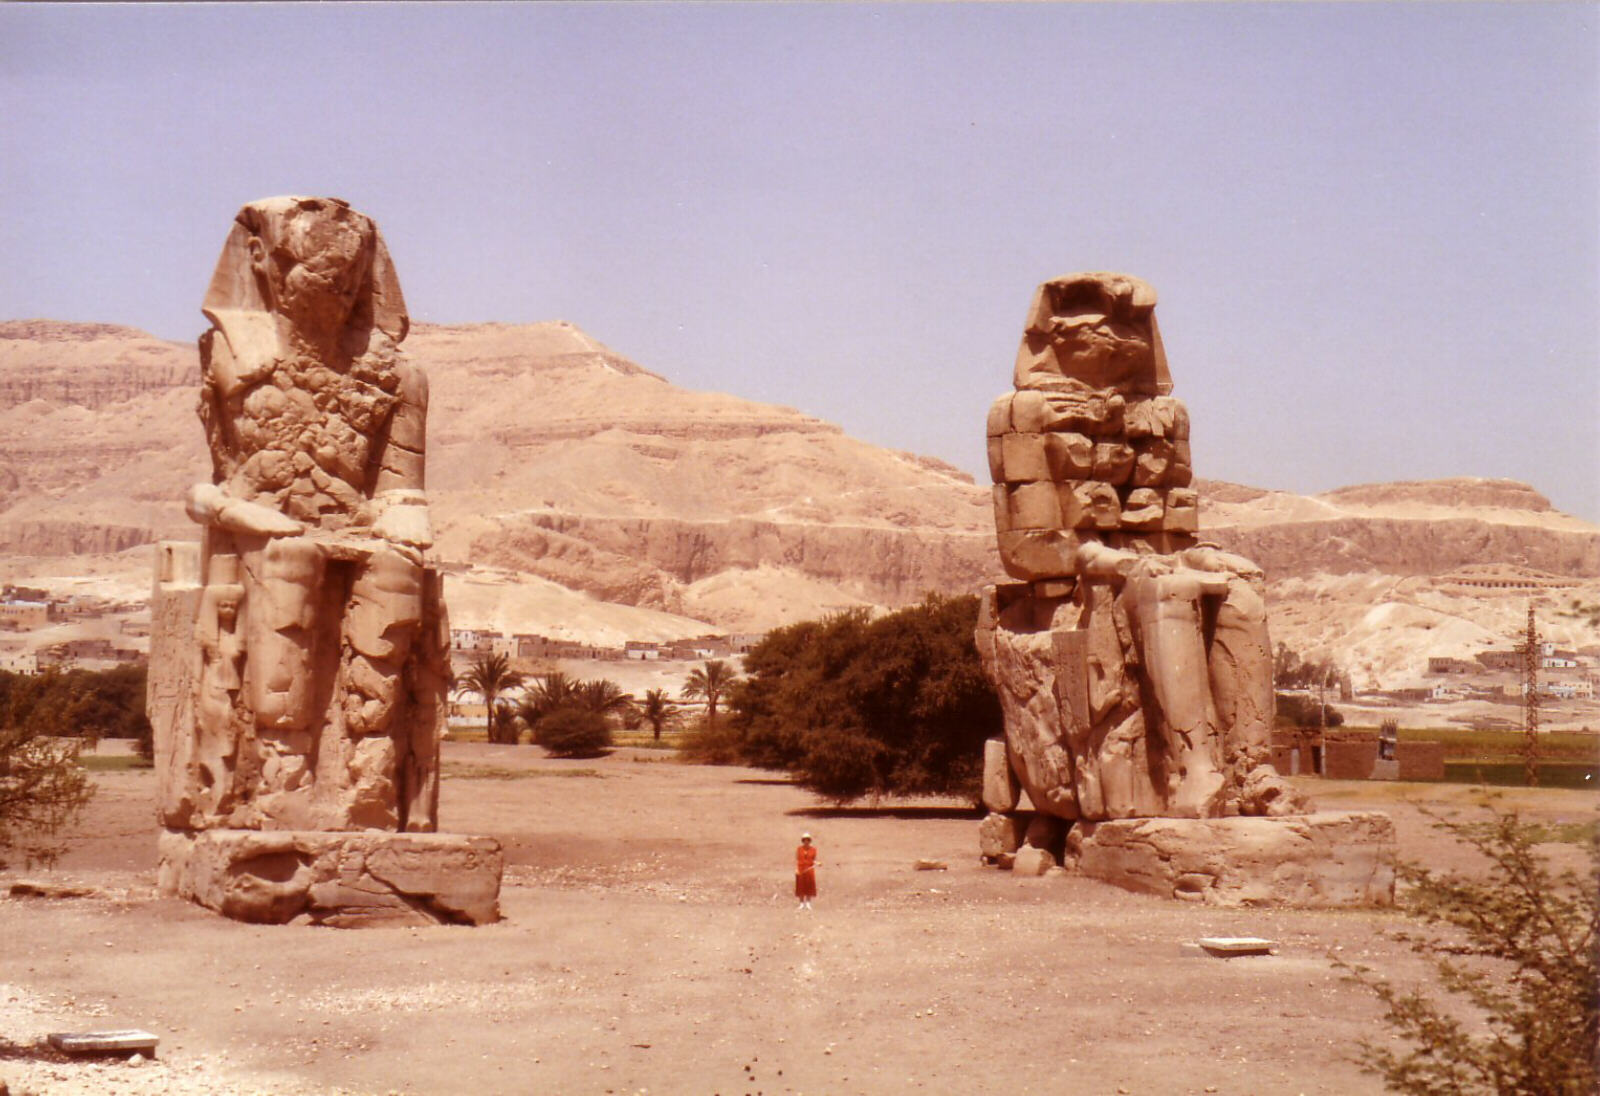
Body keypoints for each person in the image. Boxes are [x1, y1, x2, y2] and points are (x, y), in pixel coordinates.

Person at [794, 833, 818, 910]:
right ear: (803, 841)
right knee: (800, 886)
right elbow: (798, 860)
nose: (806, 841)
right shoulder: (799, 849)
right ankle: (801, 903)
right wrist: (797, 869)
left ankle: (808, 903)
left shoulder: (813, 850)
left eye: (808, 840)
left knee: (809, 886)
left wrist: (817, 863)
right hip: (801, 869)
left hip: (809, 869)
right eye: (805, 840)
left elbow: (813, 860)